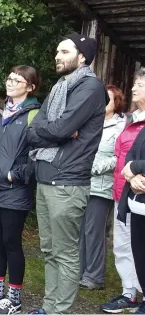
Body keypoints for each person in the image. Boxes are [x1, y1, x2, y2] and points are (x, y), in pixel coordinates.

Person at [26, 33, 106, 315]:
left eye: (64, 51)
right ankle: (49, 307)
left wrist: (52, 131)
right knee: (48, 251)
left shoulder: (91, 88)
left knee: (66, 253)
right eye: (57, 51)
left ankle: (60, 311)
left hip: (68, 181)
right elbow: (38, 128)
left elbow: (58, 128)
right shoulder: (61, 85)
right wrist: (52, 131)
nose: (57, 56)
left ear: (81, 57)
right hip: (46, 176)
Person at [0, 66, 41, 314]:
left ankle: (14, 299)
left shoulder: (35, 114)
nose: (11, 82)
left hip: (14, 189)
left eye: (18, 80)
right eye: (10, 78)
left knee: (11, 242)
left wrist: (16, 174)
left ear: (31, 86)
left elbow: (37, 154)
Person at [102, 69, 145, 314]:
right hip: (123, 192)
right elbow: (124, 156)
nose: (133, 88)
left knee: (141, 246)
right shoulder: (129, 119)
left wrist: (137, 174)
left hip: (141, 193)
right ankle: (129, 293)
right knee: (124, 246)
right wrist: (129, 173)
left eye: (140, 84)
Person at [79, 86, 126, 290]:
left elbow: (120, 158)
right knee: (80, 230)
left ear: (116, 104)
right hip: (82, 183)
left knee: (94, 231)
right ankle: (79, 272)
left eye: (108, 99)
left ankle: (95, 276)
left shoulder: (120, 127)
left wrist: (95, 168)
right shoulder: (90, 123)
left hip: (102, 186)